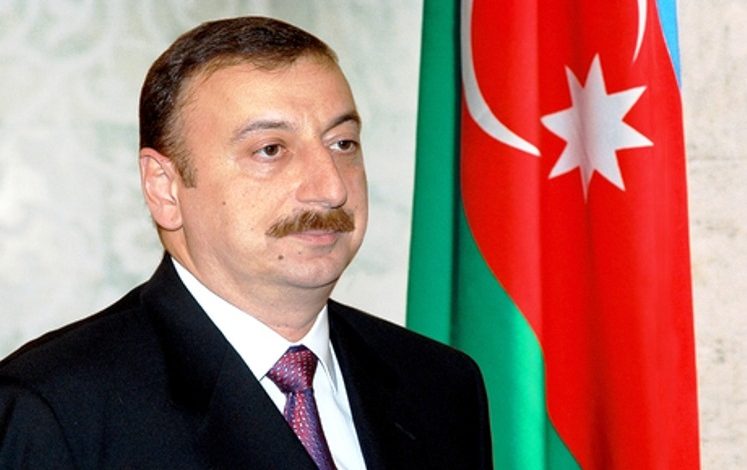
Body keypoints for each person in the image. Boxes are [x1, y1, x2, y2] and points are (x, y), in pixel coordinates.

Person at [0, 16, 492, 469]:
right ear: (165, 188)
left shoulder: (440, 384)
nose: (331, 188)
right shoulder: (55, 410)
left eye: (342, 144)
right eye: (271, 150)